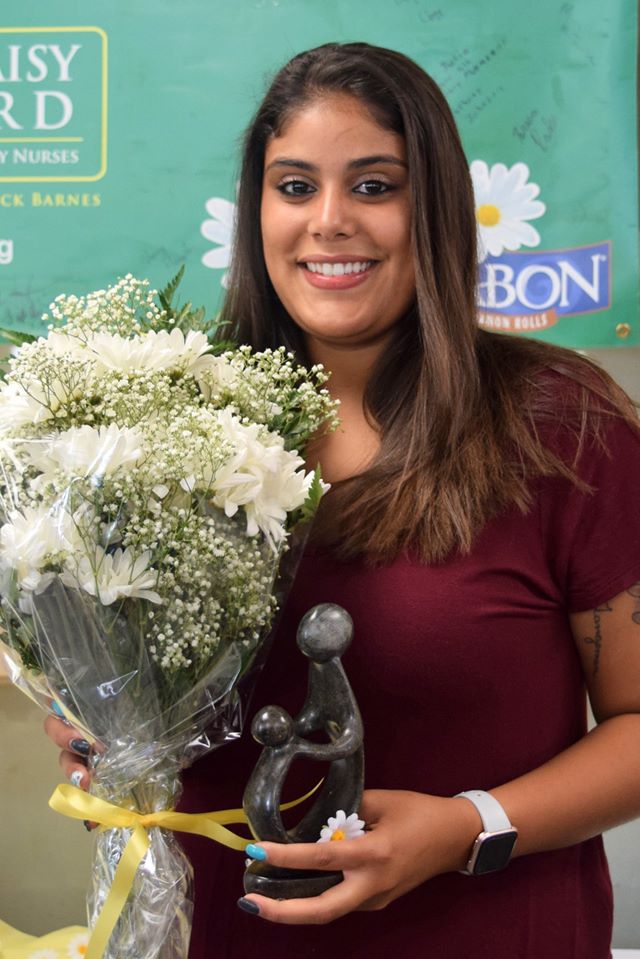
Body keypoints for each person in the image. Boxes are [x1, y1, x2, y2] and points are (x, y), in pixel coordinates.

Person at [45, 42, 640, 958]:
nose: (328, 221)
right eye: (294, 186)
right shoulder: (163, 429)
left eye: (373, 186)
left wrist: (469, 827)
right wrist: (108, 729)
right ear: (256, 212)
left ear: (436, 207)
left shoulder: (561, 426)